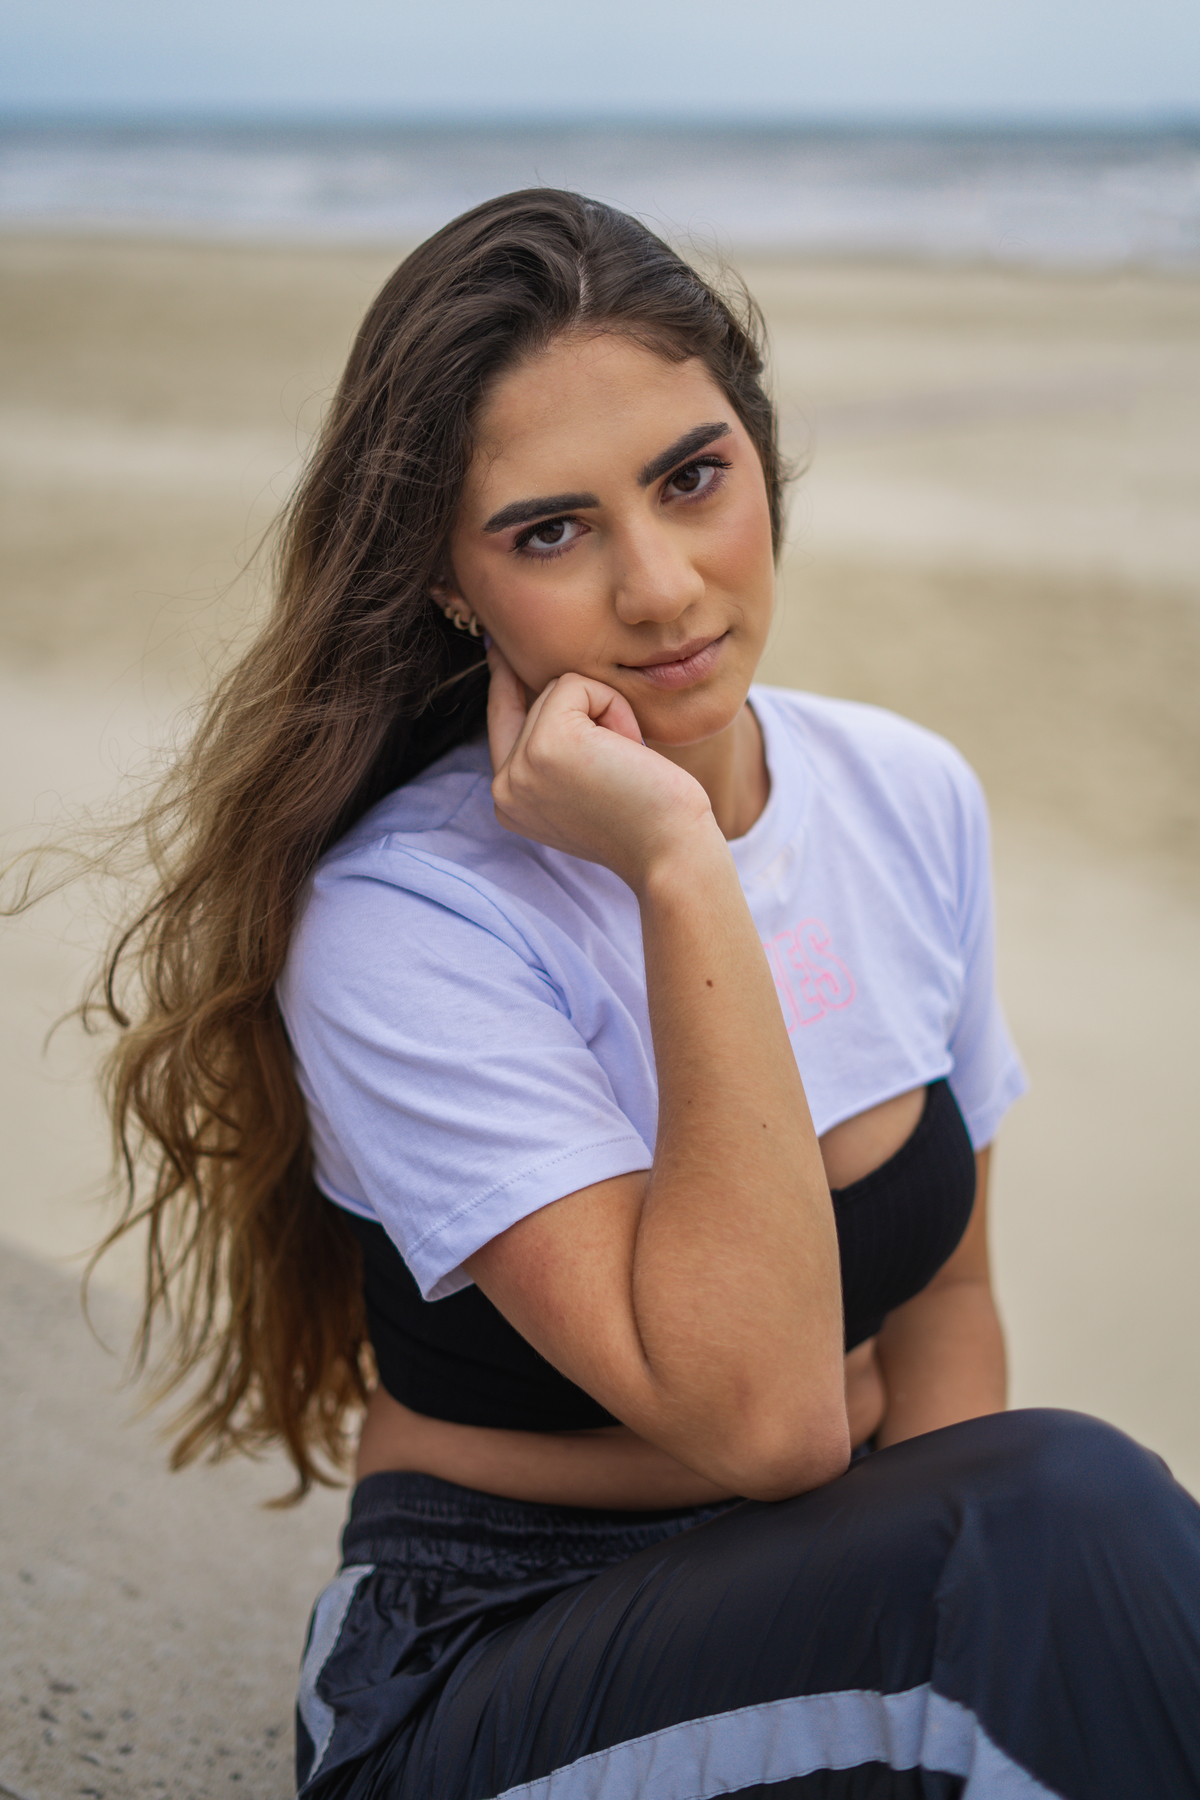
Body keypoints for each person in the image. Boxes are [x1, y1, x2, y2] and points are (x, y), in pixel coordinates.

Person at [86, 190, 1199, 1798]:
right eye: (552, 530)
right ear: (450, 586)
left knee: (1067, 1554)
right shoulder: (405, 922)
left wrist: (929, 1565)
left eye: (693, 479)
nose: (666, 589)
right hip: (495, 1653)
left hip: (858, 1599)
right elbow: (771, 1427)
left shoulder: (907, 795)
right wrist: (679, 862)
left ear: (760, 452)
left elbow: (946, 1309)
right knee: (1073, 1520)